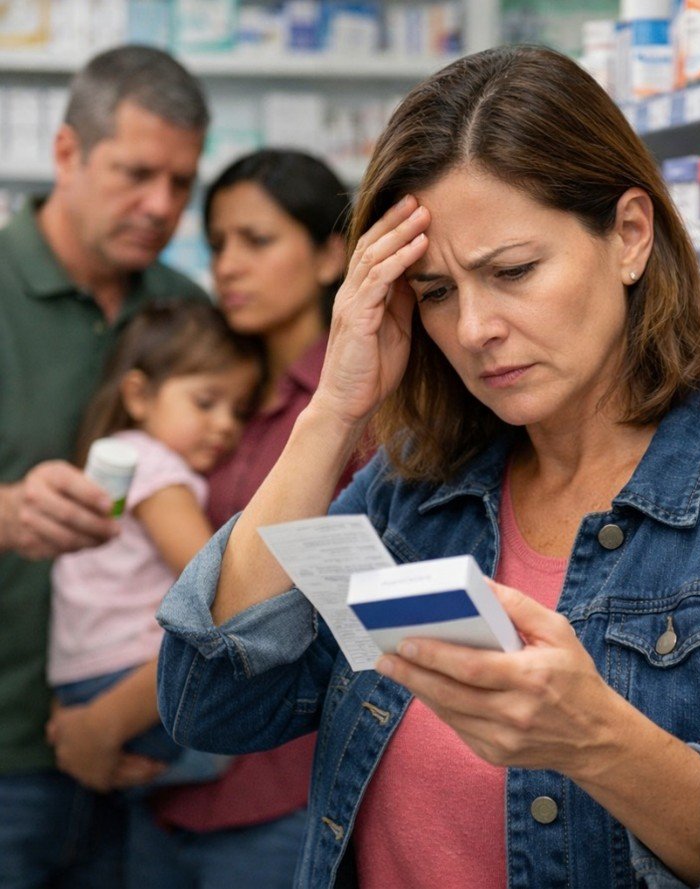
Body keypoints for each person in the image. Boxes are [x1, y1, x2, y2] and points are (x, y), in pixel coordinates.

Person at [156, 45, 700, 889]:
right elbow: (210, 702)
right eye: (434, 291)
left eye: (512, 272)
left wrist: (599, 741)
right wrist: (332, 412)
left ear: (628, 236)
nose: (473, 328)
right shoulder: (413, 492)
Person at [0, 44, 208, 887]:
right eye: (135, 173)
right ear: (65, 153)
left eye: (182, 183)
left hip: (151, 753)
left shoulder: (184, 313)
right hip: (8, 755)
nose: (159, 205)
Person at [124, 149, 358, 889]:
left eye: (256, 241)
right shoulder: (216, 396)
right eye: (218, 243)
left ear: (331, 254)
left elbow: (333, 609)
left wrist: (107, 716)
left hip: (279, 795)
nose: (228, 265)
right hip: (164, 788)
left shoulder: (355, 408)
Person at [47, 301, 262, 792]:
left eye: (238, 410)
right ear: (139, 395)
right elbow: (210, 581)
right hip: (129, 681)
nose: (226, 425)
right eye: (206, 402)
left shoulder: (117, 461)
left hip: (80, 681)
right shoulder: (157, 471)